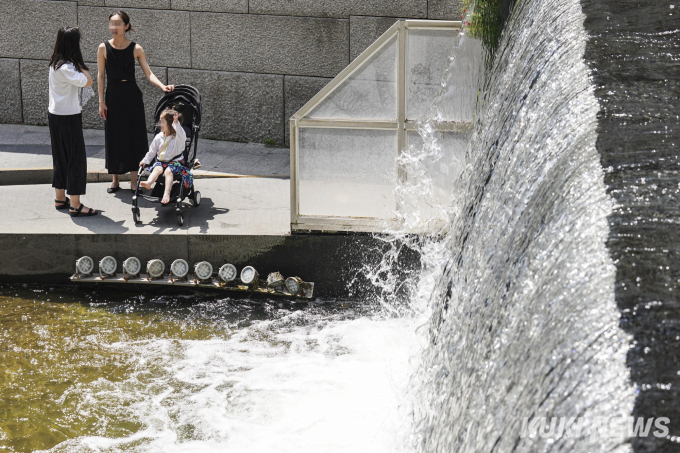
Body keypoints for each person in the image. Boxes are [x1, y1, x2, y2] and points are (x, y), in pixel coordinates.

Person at [97, 10, 174, 193]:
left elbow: (148, 73)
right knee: (114, 136)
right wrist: (101, 102)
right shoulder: (103, 48)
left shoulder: (136, 48)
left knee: (134, 135)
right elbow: (100, 76)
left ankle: (134, 180)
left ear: (126, 26)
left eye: (118, 24)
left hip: (132, 96)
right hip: (113, 96)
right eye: (111, 24)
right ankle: (115, 179)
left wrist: (162, 86)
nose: (114, 27)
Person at [48, 26, 98, 217]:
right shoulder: (67, 68)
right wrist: (82, 64)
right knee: (75, 159)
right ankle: (75, 204)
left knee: (60, 157)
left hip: (55, 115)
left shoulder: (55, 63)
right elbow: (88, 81)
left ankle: (60, 198)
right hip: (68, 117)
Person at [139, 109, 193, 205]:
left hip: (175, 163)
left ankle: (166, 193)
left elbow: (182, 135)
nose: (159, 123)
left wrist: (177, 124)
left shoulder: (177, 138)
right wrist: (145, 160)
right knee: (157, 169)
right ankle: (149, 183)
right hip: (161, 162)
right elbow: (152, 151)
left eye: (162, 121)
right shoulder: (159, 137)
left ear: (170, 124)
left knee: (168, 171)